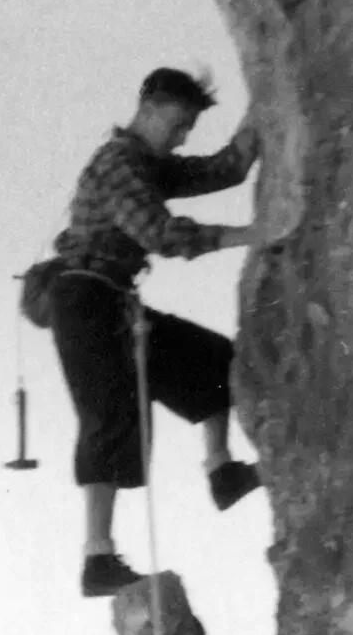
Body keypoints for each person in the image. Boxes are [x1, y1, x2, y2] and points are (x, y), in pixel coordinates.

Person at [48, 67, 266, 598]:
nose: (183, 137)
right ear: (147, 112)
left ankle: (222, 472)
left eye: (190, 126)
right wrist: (251, 235)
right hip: (83, 300)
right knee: (110, 416)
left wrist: (263, 105)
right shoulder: (120, 165)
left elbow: (225, 171)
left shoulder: (149, 164)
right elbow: (161, 235)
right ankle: (97, 558)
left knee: (214, 360)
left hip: (114, 301)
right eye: (178, 124)